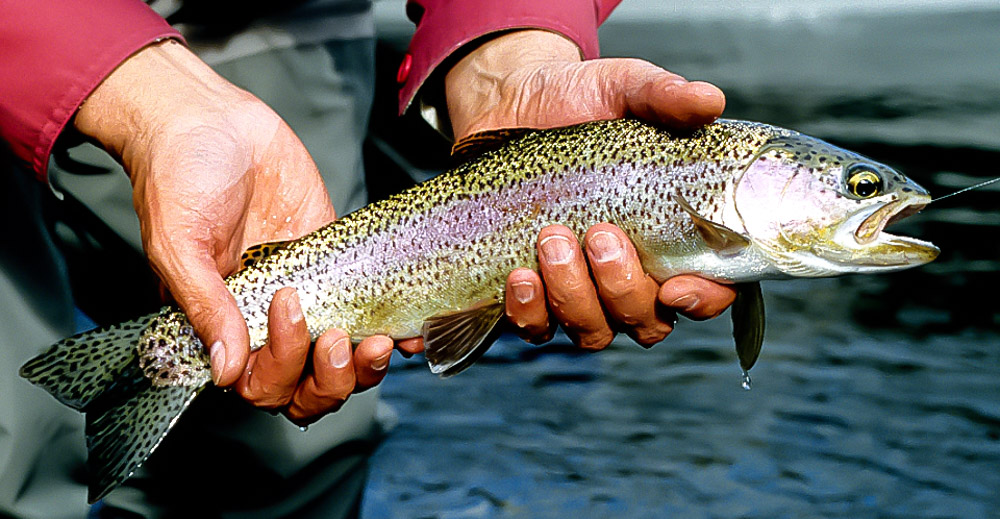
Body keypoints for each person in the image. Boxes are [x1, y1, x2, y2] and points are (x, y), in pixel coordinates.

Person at [0, 0, 736, 517]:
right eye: (858, 186)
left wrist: (510, 46)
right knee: (8, 448)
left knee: (287, 457)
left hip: (270, 12)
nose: (858, 198)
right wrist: (152, 104)